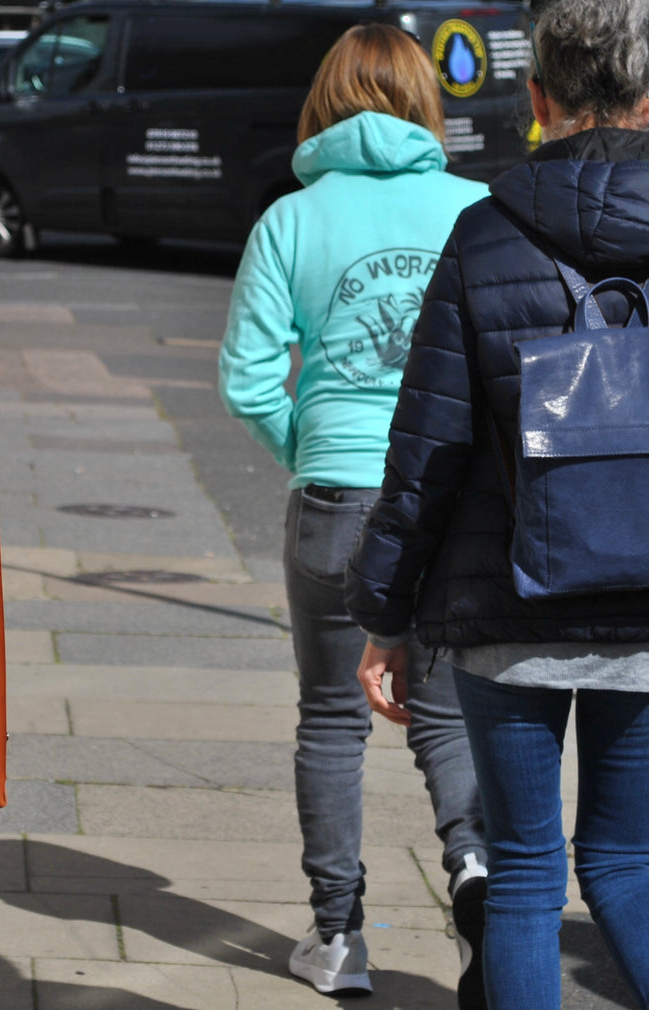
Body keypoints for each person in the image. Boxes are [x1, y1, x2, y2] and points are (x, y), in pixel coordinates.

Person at [346, 2, 649, 1007]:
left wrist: (384, 613)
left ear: (534, 97)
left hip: (500, 597)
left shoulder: (481, 235)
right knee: (625, 862)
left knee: (521, 869)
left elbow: (425, 450)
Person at [218, 24, 489, 1004]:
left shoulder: (291, 219)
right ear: (424, 101)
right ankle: (474, 868)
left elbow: (245, 377)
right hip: (449, 502)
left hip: (333, 497)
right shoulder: (474, 209)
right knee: (451, 709)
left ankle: (338, 935)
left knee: (331, 713)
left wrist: (311, 449)